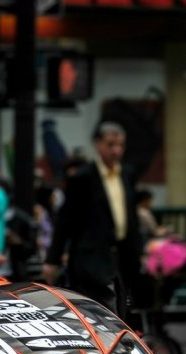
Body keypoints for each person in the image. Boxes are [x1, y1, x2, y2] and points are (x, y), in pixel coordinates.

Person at [44, 122, 142, 316]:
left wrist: (139, 251)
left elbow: (131, 217)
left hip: (121, 255)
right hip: (91, 257)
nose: (116, 150)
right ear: (98, 145)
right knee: (103, 312)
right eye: (110, 144)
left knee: (121, 309)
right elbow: (65, 221)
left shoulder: (127, 175)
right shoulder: (83, 177)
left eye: (120, 145)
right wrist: (52, 260)